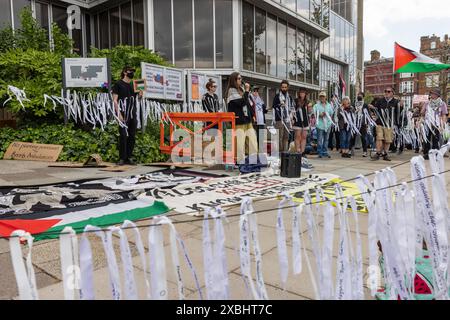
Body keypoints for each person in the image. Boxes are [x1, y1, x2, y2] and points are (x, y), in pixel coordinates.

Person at [112, 66, 142, 166]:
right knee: (123, 135)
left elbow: (138, 99)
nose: (132, 73)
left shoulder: (134, 84)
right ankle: (122, 158)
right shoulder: (118, 84)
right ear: (125, 72)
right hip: (123, 112)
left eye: (133, 71)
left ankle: (129, 157)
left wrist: (141, 93)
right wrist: (118, 114)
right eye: (130, 71)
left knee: (132, 135)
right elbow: (115, 100)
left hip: (132, 113)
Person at [226, 72, 258, 164]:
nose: (241, 80)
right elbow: (241, 102)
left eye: (241, 78)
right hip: (239, 121)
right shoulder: (231, 90)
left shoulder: (242, 89)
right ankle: (240, 162)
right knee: (240, 144)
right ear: (234, 80)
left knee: (253, 142)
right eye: (239, 78)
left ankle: (253, 160)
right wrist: (247, 91)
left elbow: (248, 104)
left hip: (247, 120)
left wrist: (252, 115)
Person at [370, 87, 400, 162]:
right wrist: (372, 108)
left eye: (388, 91)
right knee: (379, 137)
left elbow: (398, 113)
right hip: (380, 122)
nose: (386, 93)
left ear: (393, 93)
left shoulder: (396, 102)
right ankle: (378, 153)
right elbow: (375, 109)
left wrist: (397, 123)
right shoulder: (380, 100)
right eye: (385, 91)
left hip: (389, 124)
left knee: (387, 140)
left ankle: (385, 153)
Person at [421, 89, 448, 160]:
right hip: (428, 124)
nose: (431, 95)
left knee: (436, 139)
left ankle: (435, 154)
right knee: (427, 139)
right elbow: (422, 112)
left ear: (437, 95)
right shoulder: (427, 103)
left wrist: (443, 125)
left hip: (437, 124)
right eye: (431, 93)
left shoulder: (442, 104)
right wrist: (423, 110)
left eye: (432, 94)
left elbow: (444, 114)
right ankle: (426, 153)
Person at [272, 80, 295, 153]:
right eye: (282, 87)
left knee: (286, 137)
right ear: (280, 87)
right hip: (279, 119)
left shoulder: (290, 97)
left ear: (287, 87)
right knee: (279, 137)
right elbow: (274, 106)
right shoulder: (277, 96)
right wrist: (280, 105)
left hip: (287, 119)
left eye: (285, 87)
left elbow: (292, 108)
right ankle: (279, 152)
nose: (284, 89)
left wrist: (292, 118)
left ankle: (285, 153)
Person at [313, 91, 334, 159]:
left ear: (325, 97)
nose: (322, 98)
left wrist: (327, 115)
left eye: (323, 96)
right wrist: (319, 115)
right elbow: (314, 113)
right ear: (319, 98)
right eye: (321, 96)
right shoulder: (316, 105)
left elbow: (331, 113)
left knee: (326, 139)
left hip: (328, 124)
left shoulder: (329, 105)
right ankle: (320, 152)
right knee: (319, 139)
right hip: (320, 124)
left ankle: (325, 151)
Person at [293, 89, 311, 157]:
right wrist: (292, 119)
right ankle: (297, 150)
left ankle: (302, 152)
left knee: (304, 136)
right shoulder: (296, 101)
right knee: (297, 136)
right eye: (301, 92)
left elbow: (309, 112)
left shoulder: (308, 101)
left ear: (305, 94)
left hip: (305, 121)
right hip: (298, 120)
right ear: (299, 93)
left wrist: (310, 108)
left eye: (303, 93)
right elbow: (292, 110)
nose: (302, 94)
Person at [353, 92, 371, 157]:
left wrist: (368, 123)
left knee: (363, 138)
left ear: (363, 97)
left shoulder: (365, 105)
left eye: (360, 95)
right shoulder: (354, 104)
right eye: (358, 95)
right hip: (355, 123)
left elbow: (368, 114)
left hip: (363, 123)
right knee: (353, 137)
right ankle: (350, 149)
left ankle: (365, 151)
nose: (359, 96)